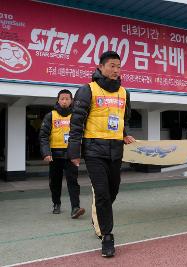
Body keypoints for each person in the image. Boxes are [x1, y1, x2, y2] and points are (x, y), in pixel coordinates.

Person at [68, 51, 135, 257]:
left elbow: (123, 117)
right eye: (112, 66)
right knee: (103, 193)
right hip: (94, 150)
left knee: (112, 191)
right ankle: (107, 237)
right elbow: (77, 122)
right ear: (100, 67)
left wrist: (124, 135)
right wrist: (74, 151)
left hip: (116, 149)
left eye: (118, 66)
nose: (116, 70)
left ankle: (99, 214)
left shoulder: (124, 92)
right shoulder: (87, 90)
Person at [39, 89, 85, 218]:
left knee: (73, 182)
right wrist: (46, 152)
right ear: (58, 100)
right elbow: (43, 136)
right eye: (62, 99)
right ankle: (56, 203)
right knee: (55, 182)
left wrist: (81, 153)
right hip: (54, 155)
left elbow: (83, 134)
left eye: (67, 99)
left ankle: (75, 208)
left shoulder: (76, 116)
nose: (64, 101)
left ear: (72, 101)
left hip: (71, 154)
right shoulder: (51, 116)